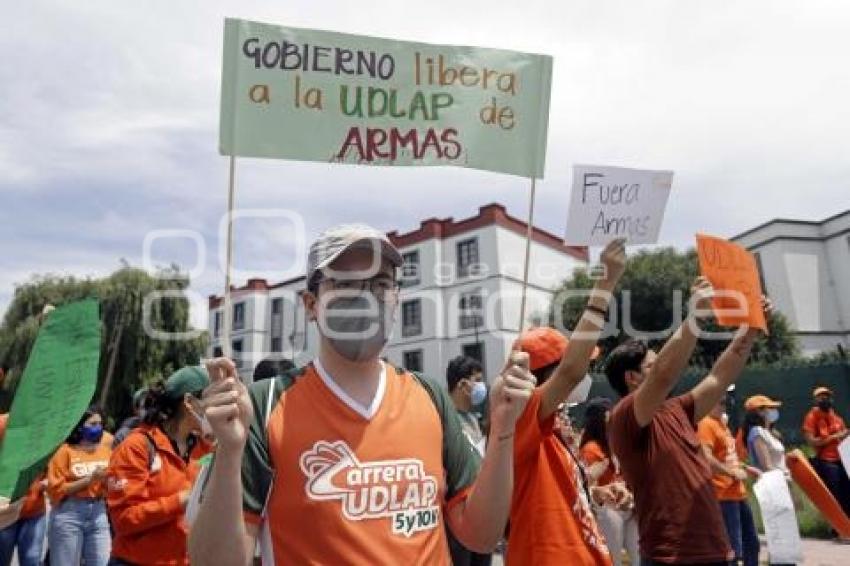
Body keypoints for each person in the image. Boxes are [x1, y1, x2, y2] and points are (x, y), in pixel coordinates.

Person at [189, 224, 537, 565]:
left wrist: (504, 429)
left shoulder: (429, 396)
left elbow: (481, 534)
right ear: (311, 304)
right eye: (346, 284)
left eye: (381, 283)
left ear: (396, 298)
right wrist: (231, 454)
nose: (367, 297)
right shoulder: (264, 406)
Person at [606, 279, 769, 566]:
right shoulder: (623, 417)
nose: (657, 368)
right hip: (671, 558)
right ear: (632, 378)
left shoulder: (677, 409)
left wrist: (751, 327)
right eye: (649, 365)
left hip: (715, 550)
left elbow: (720, 377)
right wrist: (695, 317)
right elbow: (663, 375)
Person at [507, 238, 627, 566]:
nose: (584, 374)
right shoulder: (520, 414)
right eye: (580, 366)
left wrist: (596, 492)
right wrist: (605, 283)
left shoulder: (556, 424)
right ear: (547, 375)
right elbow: (572, 371)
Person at [106, 366, 214, 565]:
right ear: (189, 402)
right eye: (212, 400)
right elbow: (123, 520)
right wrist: (181, 501)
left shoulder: (206, 449)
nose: (218, 408)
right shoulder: (136, 447)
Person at [698, 397, 760, 566]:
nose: (724, 405)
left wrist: (745, 468)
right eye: (721, 401)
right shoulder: (706, 424)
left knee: (751, 544)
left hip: (737, 494)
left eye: (726, 402)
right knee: (732, 551)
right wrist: (732, 472)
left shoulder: (722, 424)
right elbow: (707, 459)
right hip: (722, 495)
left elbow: (727, 458)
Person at [46, 405, 112, 566]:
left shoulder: (106, 450)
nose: (98, 428)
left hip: (99, 513)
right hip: (69, 514)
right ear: (79, 425)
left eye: (100, 424)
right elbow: (56, 489)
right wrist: (90, 480)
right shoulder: (64, 451)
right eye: (93, 424)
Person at [580, 397, 640, 566]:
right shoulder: (592, 449)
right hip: (607, 511)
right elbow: (588, 490)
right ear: (598, 422)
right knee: (614, 560)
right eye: (608, 418)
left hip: (627, 507)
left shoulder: (615, 444)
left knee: (639, 557)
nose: (614, 421)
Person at [445, 355, 492, 566]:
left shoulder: (473, 419)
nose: (482, 386)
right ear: (463, 384)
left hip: (480, 514)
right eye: (478, 379)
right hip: (456, 517)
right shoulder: (443, 418)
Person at [0, 414, 47, 566]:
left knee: (32, 560)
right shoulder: (3, 423)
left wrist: (46, 481)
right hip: (5, 513)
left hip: (34, 511)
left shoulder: (47, 425)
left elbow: (52, 463)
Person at [802, 386, 850, 518]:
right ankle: (837, 527)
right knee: (834, 495)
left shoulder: (836, 417)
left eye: (827, 396)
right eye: (821, 397)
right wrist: (833, 438)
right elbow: (811, 441)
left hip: (843, 459)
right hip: (827, 461)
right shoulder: (811, 417)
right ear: (815, 400)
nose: (825, 399)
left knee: (847, 492)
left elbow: (844, 433)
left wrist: (845, 434)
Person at [742, 395, 787, 474]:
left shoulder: (771, 432)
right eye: (770, 408)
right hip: (772, 482)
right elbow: (767, 466)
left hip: (782, 480)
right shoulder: (757, 432)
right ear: (759, 411)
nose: (774, 411)